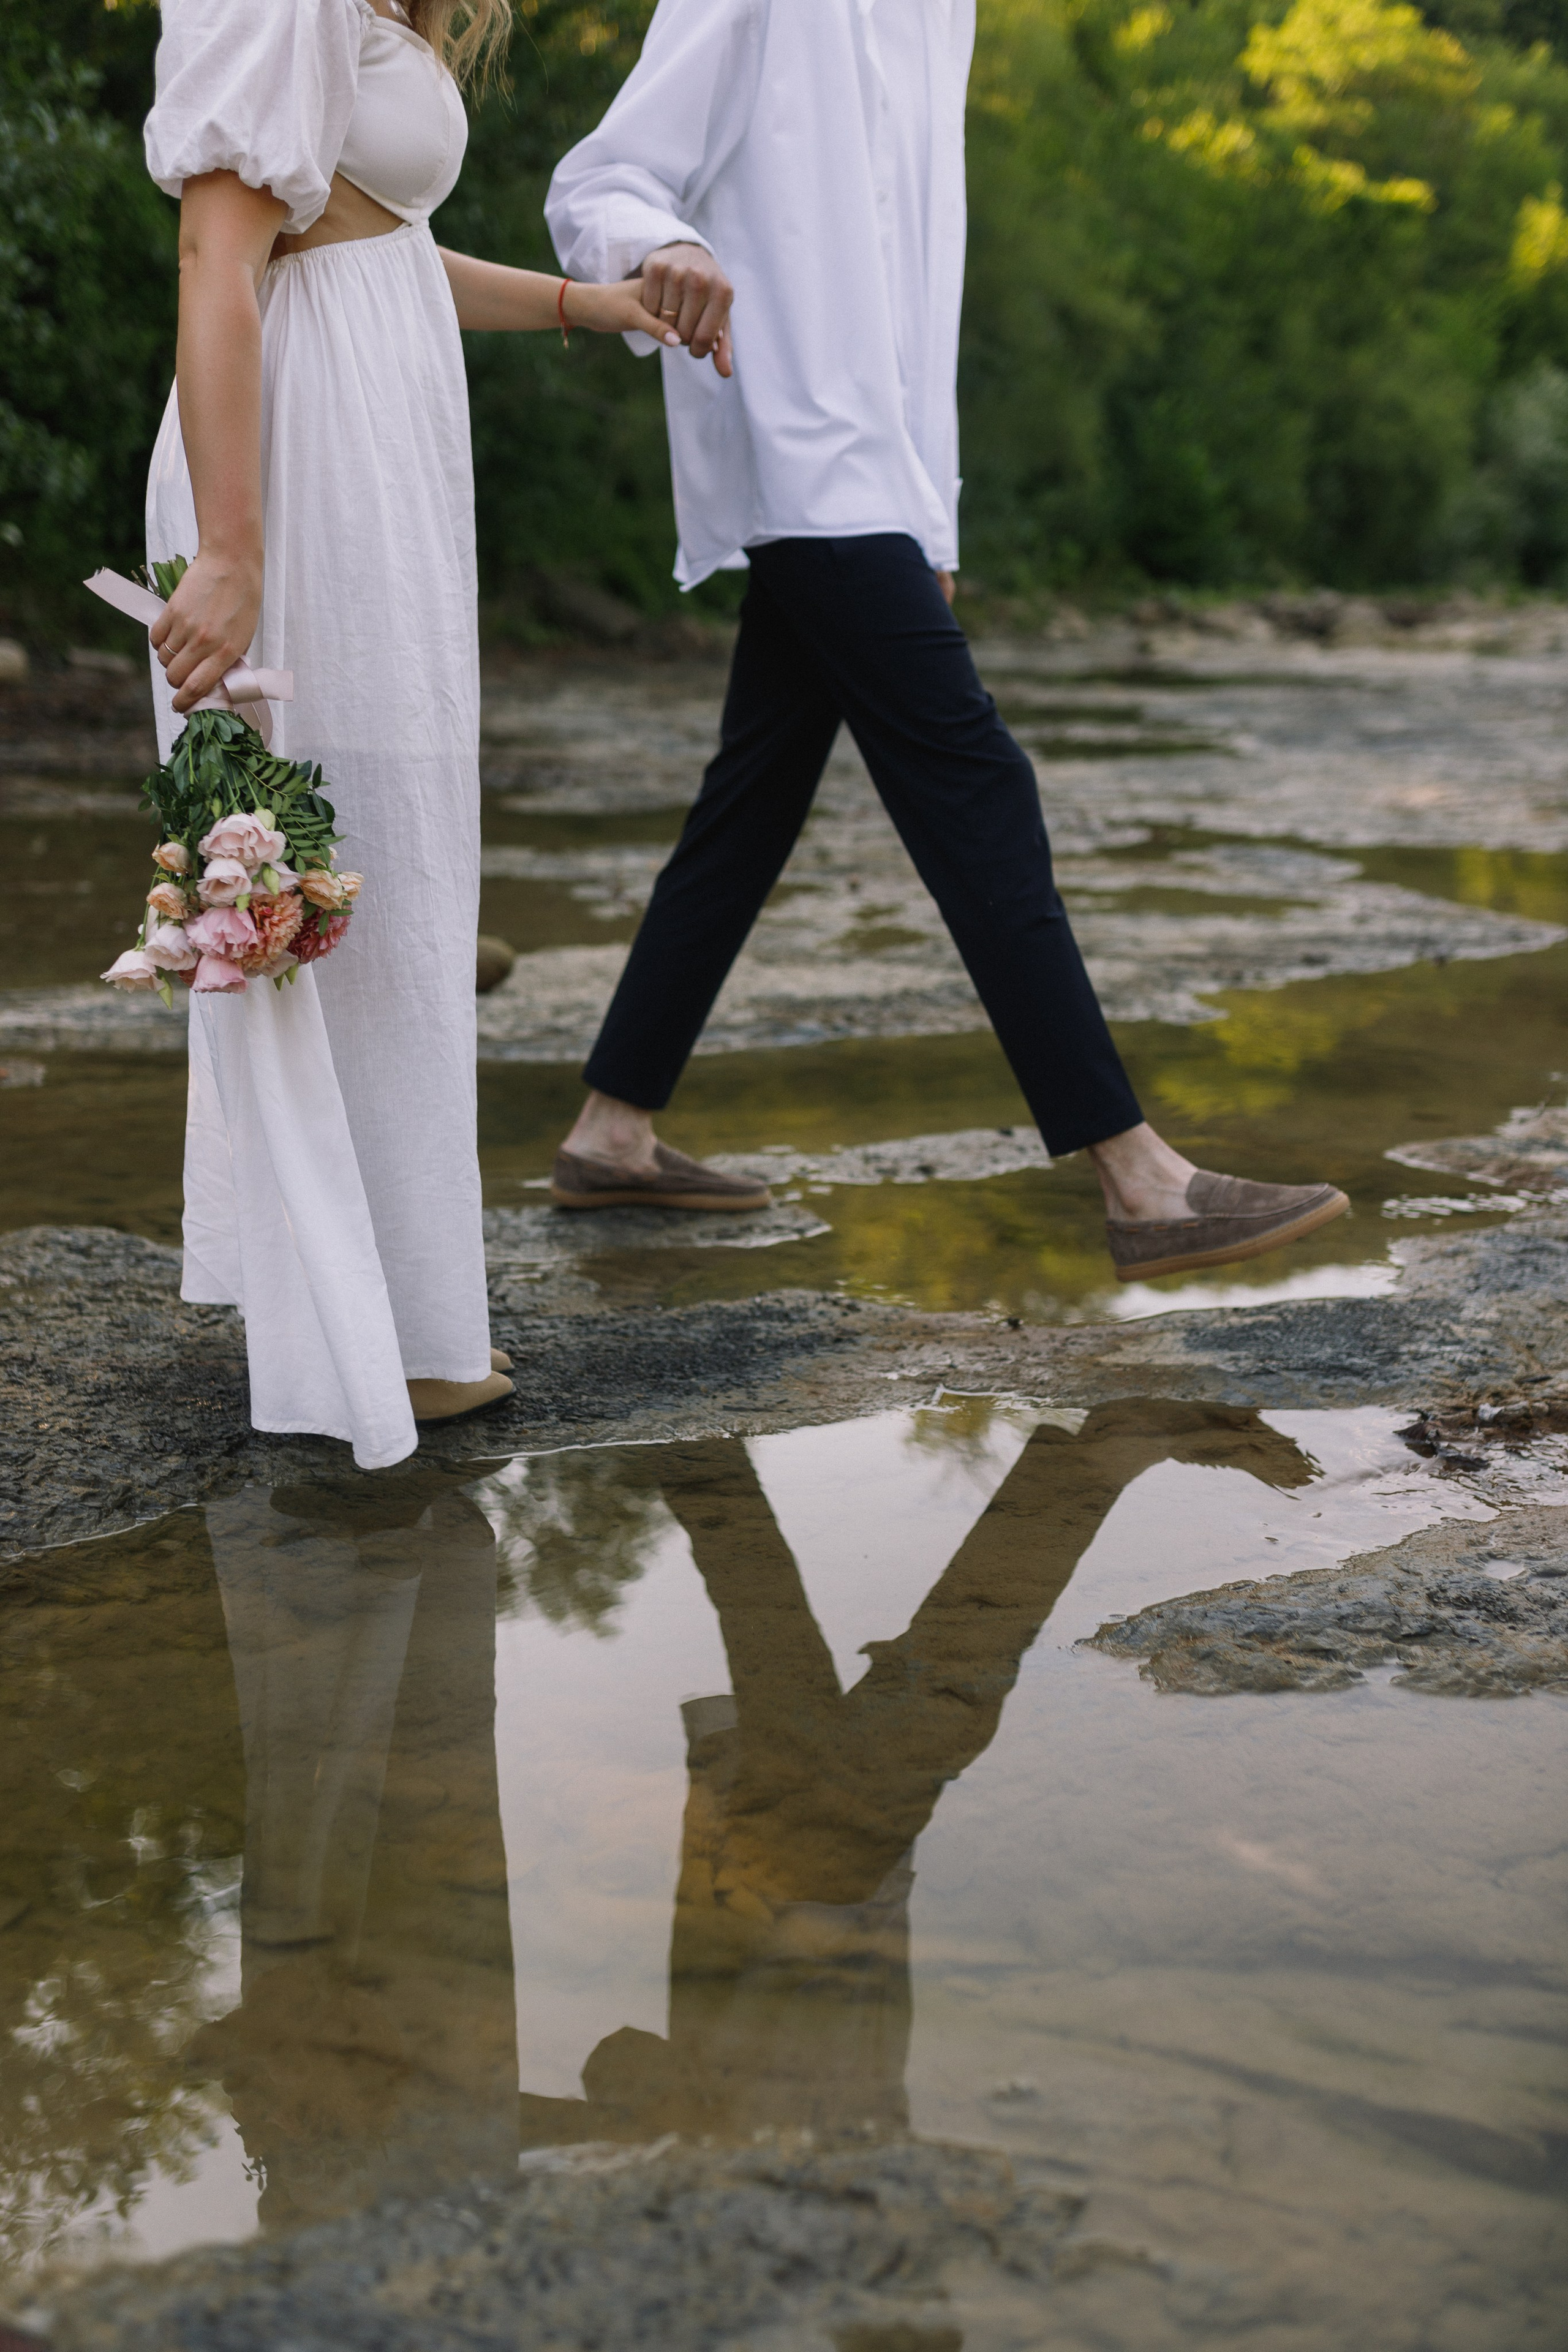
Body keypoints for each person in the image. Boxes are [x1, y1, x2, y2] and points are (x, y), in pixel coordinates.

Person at [543, 0, 1348, 1283]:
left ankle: (613, 1129)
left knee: (750, 800)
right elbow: (600, 180)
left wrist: (933, 505)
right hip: (795, 448)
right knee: (972, 780)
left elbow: (920, 278)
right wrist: (666, 240)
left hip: (874, 479)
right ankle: (1140, 1182)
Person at [141, 0, 704, 1469]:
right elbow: (220, 251)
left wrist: (590, 306)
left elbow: (376, 255)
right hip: (293, 472)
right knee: (336, 892)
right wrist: (231, 548)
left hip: (372, 459)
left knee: (383, 884)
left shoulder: (370, 17)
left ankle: (391, 1306)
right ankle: (367, 1339)